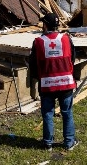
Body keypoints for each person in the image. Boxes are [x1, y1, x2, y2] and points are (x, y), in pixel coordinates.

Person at [29, 13, 78, 151]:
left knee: (48, 114)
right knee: (67, 113)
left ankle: (48, 143)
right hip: (66, 83)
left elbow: (33, 64)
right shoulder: (66, 39)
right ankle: (69, 142)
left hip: (47, 84)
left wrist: (37, 79)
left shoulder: (38, 42)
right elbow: (73, 58)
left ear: (45, 25)